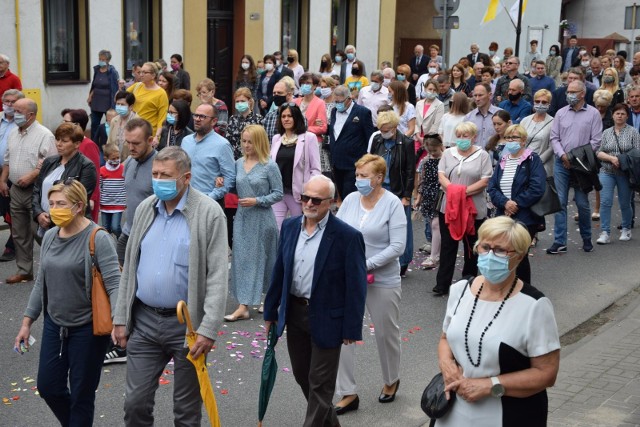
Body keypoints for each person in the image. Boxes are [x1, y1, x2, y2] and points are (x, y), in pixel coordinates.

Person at [112, 146, 228, 426]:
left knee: (186, 411)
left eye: (166, 175)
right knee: (135, 404)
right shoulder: (144, 209)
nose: (158, 180)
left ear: (186, 178)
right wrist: (120, 318)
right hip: (145, 322)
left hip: (187, 328)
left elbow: (217, 277)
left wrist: (208, 328)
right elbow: (130, 266)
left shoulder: (209, 213)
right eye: (155, 174)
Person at [263, 174, 367, 427]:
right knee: (303, 378)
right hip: (295, 314)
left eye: (316, 200)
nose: (308, 203)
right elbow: (280, 272)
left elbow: (356, 286)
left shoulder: (347, 237)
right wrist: (271, 312)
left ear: (330, 202)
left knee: (320, 384)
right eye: (304, 197)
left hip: (328, 319)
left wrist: (351, 328)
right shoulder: (289, 227)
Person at [436, 216, 560, 427]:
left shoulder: (534, 306)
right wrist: (447, 366)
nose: (490, 255)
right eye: (485, 247)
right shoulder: (460, 291)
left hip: (508, 414)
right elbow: (446, 339)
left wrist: (489, 386)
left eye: (501, 250)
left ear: (519, 257)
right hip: (453, 412)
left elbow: (546, 373)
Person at [15, 179, 120, 426]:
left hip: (88, 329)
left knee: (82, 396)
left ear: (78, 206)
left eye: (61, 203)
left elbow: (115, 284)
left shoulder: (98, 238)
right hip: (55, 325)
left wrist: (119, 322)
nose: (54, 209)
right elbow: (42, 282)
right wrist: (26, 322)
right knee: (48, 387)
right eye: (51, 204)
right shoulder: (50, 236)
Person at [333, 154, 405, 414]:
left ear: (378, 178)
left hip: (382, 279)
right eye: (357, 176)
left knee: (386, 333)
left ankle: (390, 380)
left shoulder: (392, 203)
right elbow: (337, 232)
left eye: (363, 176)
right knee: (344, 334)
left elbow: (398, 246)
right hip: (349, 279)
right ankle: (348, 392)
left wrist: (367, 264)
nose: (358, 180)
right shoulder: (351, 200)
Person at [225, 125, 283, 321]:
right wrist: (222, 184)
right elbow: (235, 186)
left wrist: (257, 200)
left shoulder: (269, 166)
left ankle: (266, 298)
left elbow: (278, 193)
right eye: (244, 141)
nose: (246, 145)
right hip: (242, 218)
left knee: (264, 259)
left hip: (262, 219)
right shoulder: (238, 163)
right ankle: (244, 304)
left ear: (259, 142)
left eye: (250, 141)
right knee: (241, 259)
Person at [433, 121, 493, 296]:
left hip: (473, 206)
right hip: (449, 207)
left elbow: (484, 180)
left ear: (473, 137)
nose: (461, 139)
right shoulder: (448, 153)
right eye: (458, 136)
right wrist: (453, 191)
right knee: (448, 245)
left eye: (465, 136)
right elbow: (441, 175)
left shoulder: (482, 156)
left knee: (471, 245)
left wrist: (463, 192)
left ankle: (469, 280)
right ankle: (442, 284)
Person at [0, 98, 56, 284]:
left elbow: (50, 164)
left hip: (35, 190)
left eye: (17, 111)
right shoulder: (14, 133)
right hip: (15, 188)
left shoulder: (44, 135)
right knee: (19, 232)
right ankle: (24, 270)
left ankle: (57, 267)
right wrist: (2, 180)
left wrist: (32, 176)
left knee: (39, 230)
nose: (12, 113)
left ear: (30, 115)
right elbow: (7, 160)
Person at [547, 80, 602, 254]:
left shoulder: (593, 114)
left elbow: (596, 141)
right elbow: (554, 138)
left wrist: (576, 157)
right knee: (560, 202)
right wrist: (563, 155)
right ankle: (559, 241)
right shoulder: (561, 113)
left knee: (582, 204)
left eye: (573, 91)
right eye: (568, 91)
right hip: (561, 164)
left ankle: (586, 238)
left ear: (582, 94)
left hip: (582, 166)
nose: (568, 94)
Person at [487, 124, 546, 283]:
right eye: (508, 137)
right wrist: (505, 203)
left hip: (526, 216)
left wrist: (515, 204)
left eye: (515, 137)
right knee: (504, 254)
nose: (511, 141)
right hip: (503, 214)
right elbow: (492, 187)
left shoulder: (532, 159)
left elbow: (537, 187)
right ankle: (507, 287)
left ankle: (524, 290)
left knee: (519, 254)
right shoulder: (503, 159)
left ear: (523, 140)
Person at [368, 111, 415, 277]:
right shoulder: (377, 139)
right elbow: (372, 162)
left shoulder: (407, 143)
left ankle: (403, 262)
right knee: (379, 226)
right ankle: (380, 260)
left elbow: (410, 171)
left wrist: (407, 196)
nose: (383, 132)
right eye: (381, 129)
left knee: (402, 228)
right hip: (380, 189)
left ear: (395, 128)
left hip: (398, 190)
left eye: (386, 129)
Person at [32, 122, 97, 237]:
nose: (59, 144)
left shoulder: (86, 165)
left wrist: (51, 218)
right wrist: (39, 213)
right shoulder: (49, 161)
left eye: (64, 141)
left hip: (70, 225)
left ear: (77, 144)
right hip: (44, 222)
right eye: (57, 139)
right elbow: (37, 189)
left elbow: (79, 199)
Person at [270, 103, 321, 229]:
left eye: (290, 116)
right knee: (276, 229)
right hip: (278, 193)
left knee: (298, 229)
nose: (286, 119)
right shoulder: (277, 139)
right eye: (283, 116)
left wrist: (309, 192)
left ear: (296, 118)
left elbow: (315, 169)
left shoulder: (309, 138)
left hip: (299, 194)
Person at [596, 104, 640, 244]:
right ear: (613, 115)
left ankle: (626, 228)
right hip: (606, 171)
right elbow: (599, 151)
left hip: (625, 173)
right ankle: (605, 232)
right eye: (617, 113)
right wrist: (611, 158)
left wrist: (622, 160)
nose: (620, 116)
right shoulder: (607, 132)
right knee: (605, 202)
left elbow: (637, 153)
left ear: (627, 116)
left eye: (622, 113)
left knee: (625, 202)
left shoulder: (633, 132)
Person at [181, 103, 236, 203]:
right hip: (185, 199)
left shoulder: (222, 145)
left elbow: (230, 177)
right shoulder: (186, 141)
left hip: (209, 202)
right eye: (196, 115)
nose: (197, 119)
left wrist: (211, 198)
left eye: (202, 117)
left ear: (214, 121)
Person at [328, 85, 375, 200]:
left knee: (350, 195)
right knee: (342, 194)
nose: (337, 104)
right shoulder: (334, 111)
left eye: (340, 101)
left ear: (349, 99)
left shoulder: (363, 112)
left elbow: (370, 138)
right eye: (335, 101)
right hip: (336, 162)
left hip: (354, 163)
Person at [60, 109, 101, 223]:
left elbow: (95, 173)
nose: (62, 125)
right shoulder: (68, 144)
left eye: (66, 122)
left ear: (77, 125)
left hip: (84, 196)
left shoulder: (89, 145)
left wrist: (92, 198)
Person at [0, 89, 24, 262]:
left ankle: (13, 244)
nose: (8, 105)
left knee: (10, 210)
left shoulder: (22, 122)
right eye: (5, 101)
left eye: (12, 102)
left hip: (12, 171)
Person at [415, 135, 444, 268]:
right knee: (433, 224)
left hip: (441, 194)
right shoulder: (425, 161)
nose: (432, 153)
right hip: (428, 194)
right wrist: (418, 197)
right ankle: (436, 251)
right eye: (430, 150)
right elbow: (421, 181)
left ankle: (434, 256)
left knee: (436, 225)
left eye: (435, 150)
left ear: (440, 146)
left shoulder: (445, 159)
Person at [127, 62, 169, 136]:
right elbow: (121, 97)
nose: (141, 75)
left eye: (144, 72)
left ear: (153, 75)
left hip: (149, 134)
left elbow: (162, 119)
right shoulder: (137, 86)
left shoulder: (161, 93)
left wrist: (157, 137)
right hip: (134, 130)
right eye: (140, 72)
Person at [520, 89, 555, 176]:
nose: (540, 104)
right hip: (523, 164)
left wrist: (537, 162)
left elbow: (551, 147)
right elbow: (519, 141)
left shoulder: (553, 122)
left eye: (544, 102)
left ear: (549, 104)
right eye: (537, 101)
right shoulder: (525, 120)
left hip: (542, 166)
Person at [87, 50, 120, 141]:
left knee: (108, 124)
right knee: (94, 123)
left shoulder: (112, 72)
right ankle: (94, 142)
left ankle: (107, 142)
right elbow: (94, 85)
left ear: (108, 60)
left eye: (103, 59)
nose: (101, 61)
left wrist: (114, 104)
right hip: (96, 101)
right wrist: (90, 96)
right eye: (100, 59)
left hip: (107, 101)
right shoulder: (97, 70)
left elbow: (115, 88)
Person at [226, 87, 264, 159]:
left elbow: (261, 142)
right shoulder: (232, 119)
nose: (240, 103)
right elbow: (228, 141)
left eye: (242, 101)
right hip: (234, 159)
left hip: (253, 159)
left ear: (249, 101)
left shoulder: (258, 119)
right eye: (237, 101)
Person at [464, 83, 502, 148]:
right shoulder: (468, 118)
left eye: (480, 95)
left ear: (490, 95)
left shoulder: (501, 115)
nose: (477, 99)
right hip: (475, 156)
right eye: (475, 95)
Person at [99, 143, 126, 237]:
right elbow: (99, 187)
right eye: (113, 158)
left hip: (118, 203)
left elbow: (127, 185)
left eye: (118, 158)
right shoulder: (102, 171)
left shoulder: (123, 169)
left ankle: (121, 241)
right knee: (105, 228)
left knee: (115, 227)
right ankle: (108, 245)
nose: (116, 160)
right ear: (106, 158)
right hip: (105, 204)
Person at [295, 72, 328, 140]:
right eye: (302, 83)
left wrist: (303, 129)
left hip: (312, 140)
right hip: (295, 139)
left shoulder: (320, 103)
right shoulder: (294, 101)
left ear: (315, 86)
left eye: (308, 83)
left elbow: (322, 128)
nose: (304, 85)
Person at [263, 78, 295, 143]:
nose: (276, 95)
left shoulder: (297, 116)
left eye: (279, 93)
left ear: (288, 95)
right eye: (274, 93)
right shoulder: (269, 116)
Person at [107, 91, 137, 160]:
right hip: (115, 161)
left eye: (123, 105)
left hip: (132, 161)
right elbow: (109, 142)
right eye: (118, 104)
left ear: (131, 106)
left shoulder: (138, 122)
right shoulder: (114, 120)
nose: (119, 107)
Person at [416, 79, 445, 147]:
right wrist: (418, 137)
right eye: (430, 89)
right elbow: (416, 123)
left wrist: (425, 139)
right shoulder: (419, 103)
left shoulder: (440, 105)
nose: (432, 91)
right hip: (417, 138)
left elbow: (436, 124)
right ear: (425, 89)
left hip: (431, 140)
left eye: (434, 90)